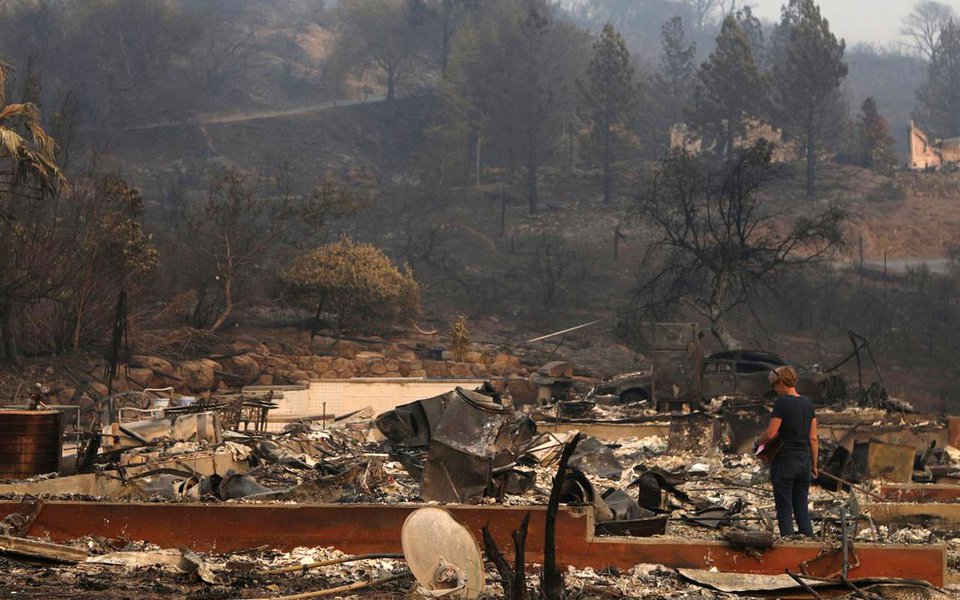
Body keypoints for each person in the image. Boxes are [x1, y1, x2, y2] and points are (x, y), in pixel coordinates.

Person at [758, 365, 818, 537]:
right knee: (801, 508)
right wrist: (814, 465)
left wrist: (758, 442)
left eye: (774, 386)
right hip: (804, 463)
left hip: (784, 462)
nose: (775, 390)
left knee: (784, 509)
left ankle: (789, 544)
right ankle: (809, 545)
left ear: (781, 383)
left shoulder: (782, 403)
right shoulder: (808, 405)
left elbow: (771, 434)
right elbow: (813, 438)